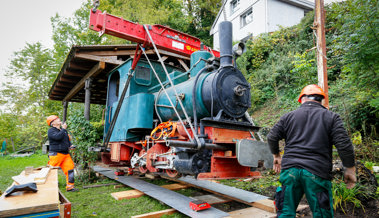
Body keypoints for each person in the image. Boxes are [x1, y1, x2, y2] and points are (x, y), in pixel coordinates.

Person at [267, 84, 356, 217]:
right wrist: (350, 169)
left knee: (285, 212)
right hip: (316, 172)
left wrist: (276, 155)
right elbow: (344, 145)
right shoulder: (331, 117)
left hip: (290, 171)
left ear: (302, 99)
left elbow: (272, 137)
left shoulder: (288, 117)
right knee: (322, 213)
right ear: (321, 100)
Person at [46, 115, 78, 192]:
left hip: (66, 154)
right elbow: (58, 137)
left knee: (70, 169)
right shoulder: (51, 131)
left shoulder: (63, 130)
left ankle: (70, 187)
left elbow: (67, 140)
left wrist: (71, 145)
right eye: (57, 119)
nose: (59, 119)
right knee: (50, 171)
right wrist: (63, 129)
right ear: (53, 123)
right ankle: (46, 187)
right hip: (56, 154)